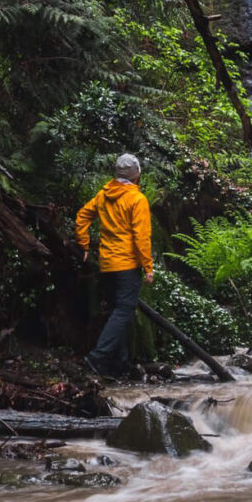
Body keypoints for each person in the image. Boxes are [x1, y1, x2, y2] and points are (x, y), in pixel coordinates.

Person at [74, 153, 154, 378]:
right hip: (127, 265)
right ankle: (97, 358)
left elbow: (82, 217)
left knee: (117, 313)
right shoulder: (137, 200)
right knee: (123, 311)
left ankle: (120, 364)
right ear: (137, 174)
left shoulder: (103, 195)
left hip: (107, 264)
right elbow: (141, 237)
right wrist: (148, 266)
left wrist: (84, 245)